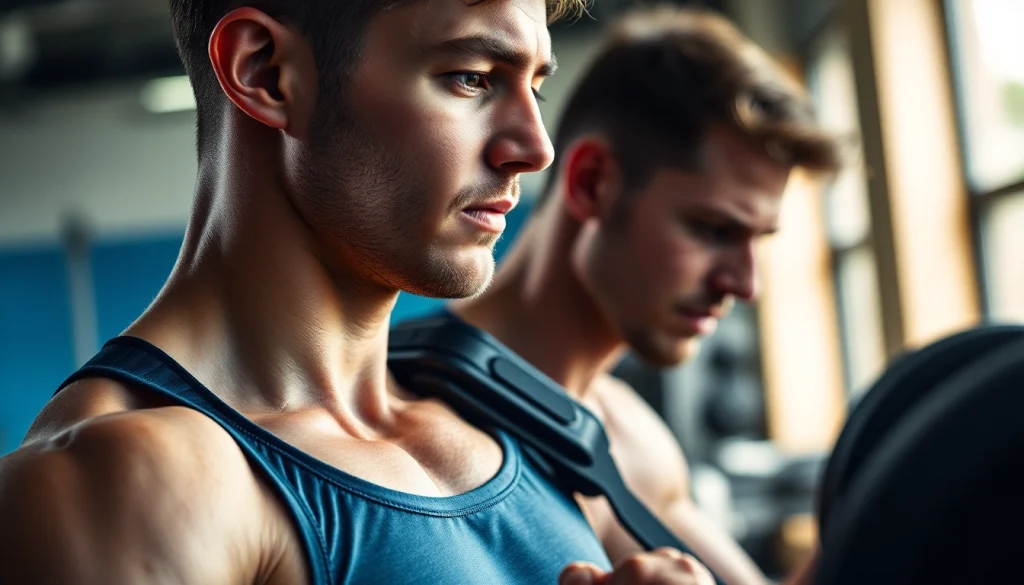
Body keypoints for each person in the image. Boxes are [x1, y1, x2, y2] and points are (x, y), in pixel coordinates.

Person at [0, 1, 716, 584]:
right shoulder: (118, 485)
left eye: (536, 87)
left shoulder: (515, 417)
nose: (534, 148)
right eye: (471, 78)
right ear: (266, 72)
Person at [445, 6, 844, 585]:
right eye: (713, 229)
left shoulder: (630, 433)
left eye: (757, 239)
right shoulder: (414, 424)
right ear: (592, 183)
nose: (743, 284)